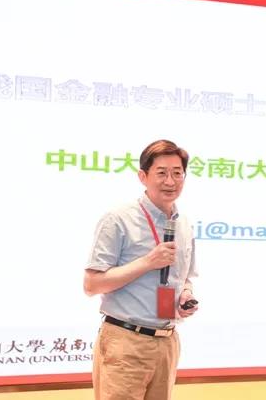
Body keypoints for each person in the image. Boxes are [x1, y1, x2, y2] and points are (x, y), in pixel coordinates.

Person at [84, 139, 198, 400]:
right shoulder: (118, 219)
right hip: (126, 341)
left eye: (177, 173)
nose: (170, 181)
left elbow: (185, 278)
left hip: (168, 341)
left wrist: (186, 295)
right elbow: (91, 285)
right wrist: (147, 262)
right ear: (143, 176)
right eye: (161, 173)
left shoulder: (184, 224)